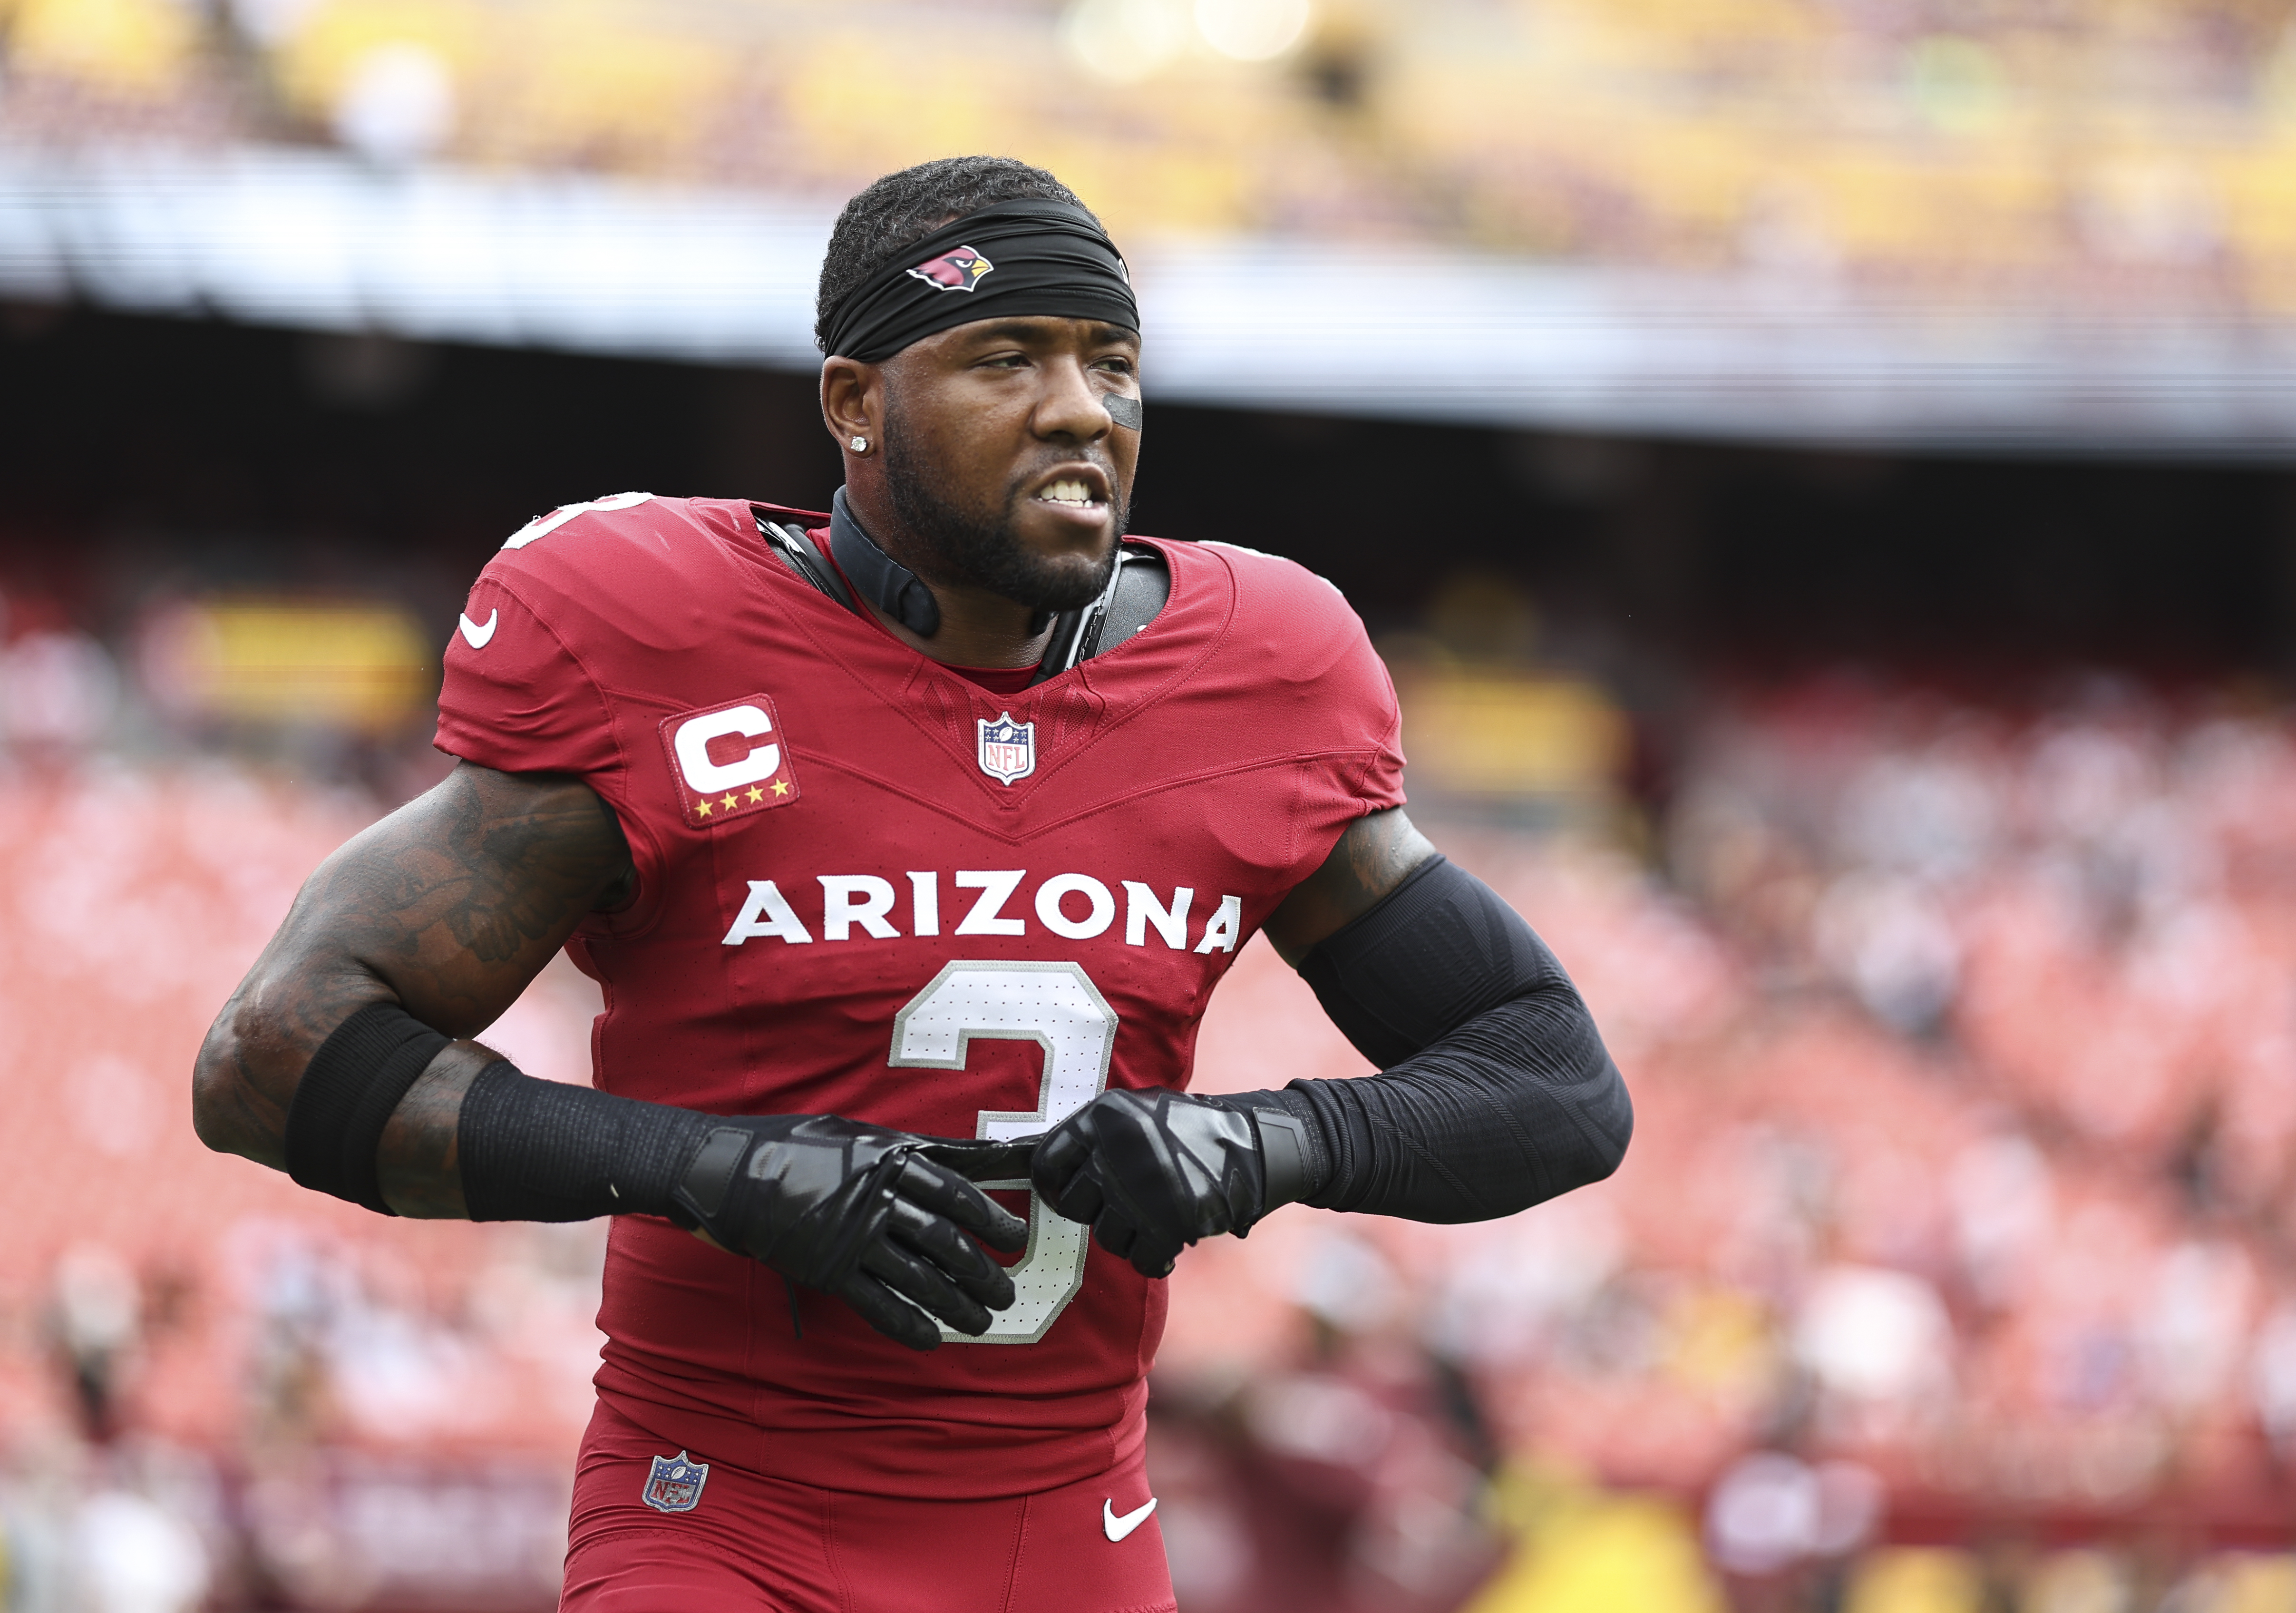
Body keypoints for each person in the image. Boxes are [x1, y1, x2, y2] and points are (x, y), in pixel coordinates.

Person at [191, 154, 1632, 1613]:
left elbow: (1555, 1084)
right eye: (1008, 357)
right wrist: (711, 1167)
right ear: (854, 403)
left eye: (1112, 362)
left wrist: (1258, 1146)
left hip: (1069, 1531)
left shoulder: (1263, 669)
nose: (1083, 409)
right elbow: (270, 1059)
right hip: (722, 1513)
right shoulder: (665, 640)